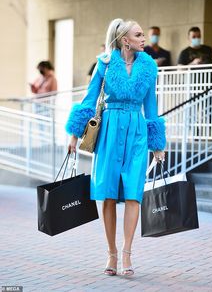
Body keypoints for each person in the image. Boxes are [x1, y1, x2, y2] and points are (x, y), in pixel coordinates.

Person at [66, 18, 166, 276]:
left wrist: (157, 144)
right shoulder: (106, 64)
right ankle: (111, 252)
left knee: (134, 192)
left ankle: (127, 252)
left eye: (143, 34)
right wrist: (74, 137)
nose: (144, 39)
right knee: (108, 193)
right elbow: (88, 100)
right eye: (139, 34)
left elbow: (151, 108)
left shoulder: (148, 68)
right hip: (109, 129)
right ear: (125, 41)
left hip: (137, 132)